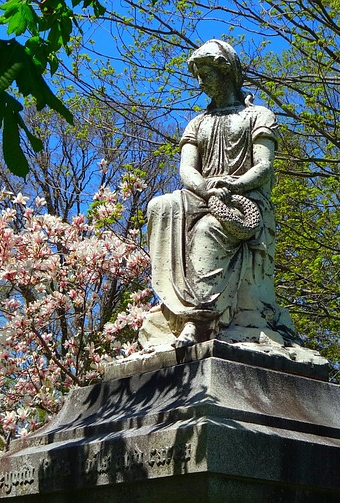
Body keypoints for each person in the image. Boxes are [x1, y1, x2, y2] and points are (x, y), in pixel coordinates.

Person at [138, 40, 297, 350]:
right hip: (203, 194)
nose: (201, 83)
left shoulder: (258, 116)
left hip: (244, 198)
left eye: (207, 74)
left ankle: (198, 322)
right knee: (160, 205)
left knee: (209, 229)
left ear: (226, 72)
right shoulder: (198, 123)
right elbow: (187, 171)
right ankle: (175, 308)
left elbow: (264, 167)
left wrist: (233, 186)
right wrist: (207, 187)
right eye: (198, 76)